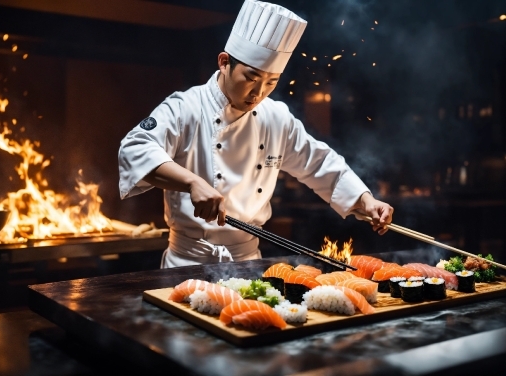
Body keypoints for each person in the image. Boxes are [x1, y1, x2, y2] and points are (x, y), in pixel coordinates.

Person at [118, 0, 393, 268]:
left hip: (247, 264)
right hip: (188, 263)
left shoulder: (276, 117)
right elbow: (134, 149)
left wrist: (365, 200)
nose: (258, 93)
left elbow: (319, 163)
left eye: (271, 82)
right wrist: (191, 182)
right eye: (250, 78)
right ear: (224, 62)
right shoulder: (186, 107)